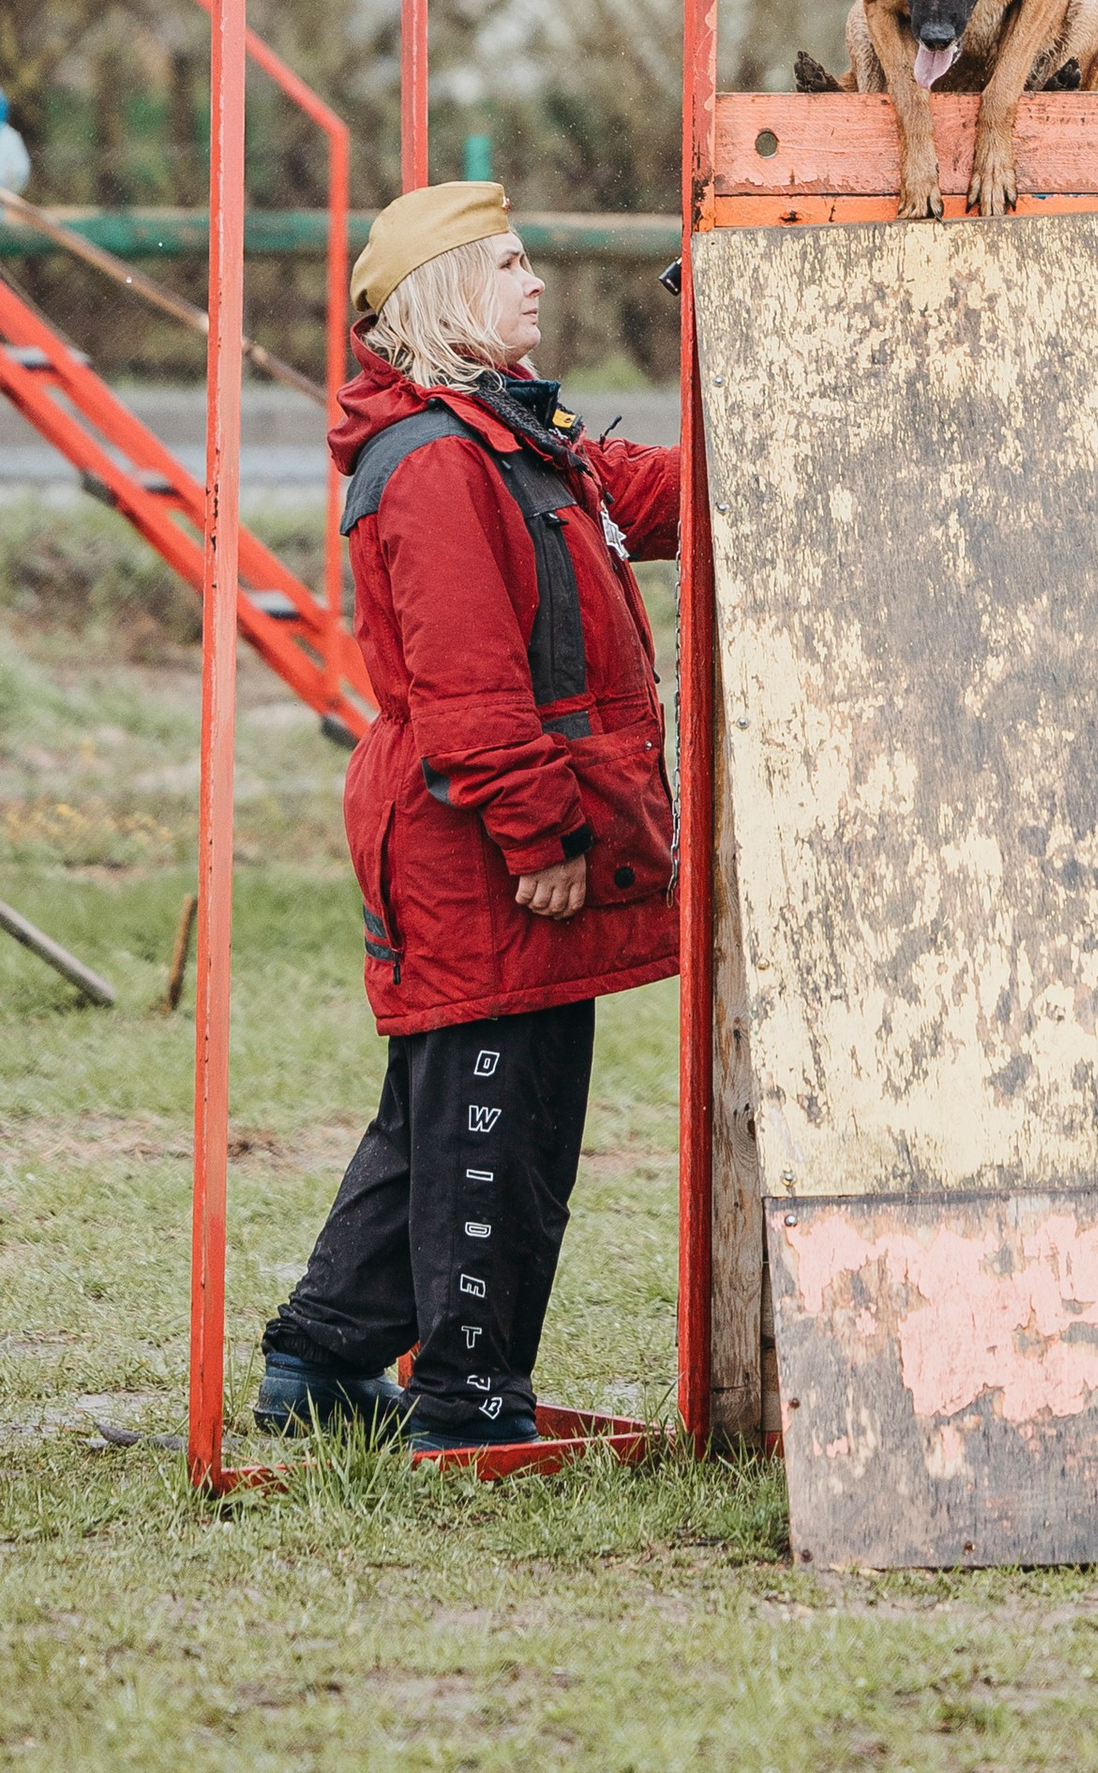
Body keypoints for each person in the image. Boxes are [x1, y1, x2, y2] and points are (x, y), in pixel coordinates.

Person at [255, 178, 682, 1448]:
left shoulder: (509, 440)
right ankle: (466, 1398)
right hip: (482, 842)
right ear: (446, 297)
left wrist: (741, 339)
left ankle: (323, 1364)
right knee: (501, 1122)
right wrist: (542, 836)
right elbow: (466, 679)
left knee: (447, 1105)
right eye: (506, 263)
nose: (535, 280)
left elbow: (660, 493)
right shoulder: (440, 461)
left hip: (484, 833)